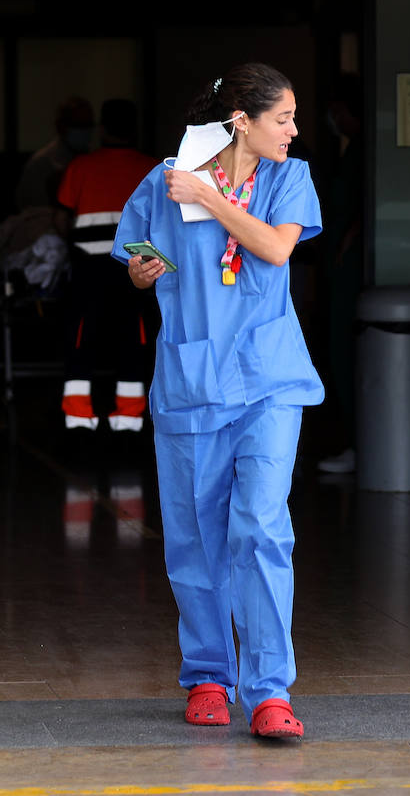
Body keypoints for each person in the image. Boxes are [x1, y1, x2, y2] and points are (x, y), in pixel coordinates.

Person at [112, 62, 323, 739]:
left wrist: (209, 196)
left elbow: (273, 248)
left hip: (267, 379)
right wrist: (143, 270)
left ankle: (268, 689)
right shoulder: (163, 180)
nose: (294, 129)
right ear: (242, 121)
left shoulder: (289, 178)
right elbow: (138, 259)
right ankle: (208, 673)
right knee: (196, 536)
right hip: (192, 379)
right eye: (283, 118)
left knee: (261, 527)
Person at [56, 98, 158, 433]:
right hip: (136, 269)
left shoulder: (80, 167)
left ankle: (78, 419)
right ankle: (129, 420)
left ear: (102, 128)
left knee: (82, 337)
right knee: (134, 338)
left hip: (89, 269)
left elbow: (61, 219)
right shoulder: (153, 169)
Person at [314, 73, 365, 475]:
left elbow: (362, 213)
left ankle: (361, 442)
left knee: (348, 354)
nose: (334, 120)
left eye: (337, 112)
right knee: (338, 351)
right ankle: (354, 440)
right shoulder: (350, 154)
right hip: (337, 266)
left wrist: (348, 242)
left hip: (350, 268)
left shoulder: (367, 155)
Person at [15, 95, 94, 211]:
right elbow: (31, 208)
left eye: (88, 125)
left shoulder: (93, 160)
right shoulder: (41, 163)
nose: (84, 131)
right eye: (78, 125)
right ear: (60, 126)